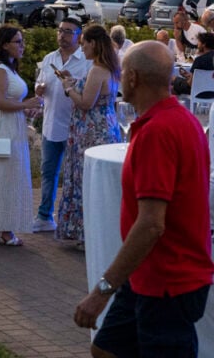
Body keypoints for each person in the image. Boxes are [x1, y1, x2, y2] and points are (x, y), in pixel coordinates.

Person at [73, 41, 214, 355]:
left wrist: (102, 290)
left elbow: (151, 225)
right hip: (150, 273)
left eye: (122, 73)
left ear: (133, 78)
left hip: (168, 281)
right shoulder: (181, 119)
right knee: (106, 349)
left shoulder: (158, 132)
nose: (119, 79)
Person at [0, 25, 41, 246]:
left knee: (10, 178)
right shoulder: (0, 69)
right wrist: (25, 104)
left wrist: (25, 107)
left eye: (22, 41)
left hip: (14, 126)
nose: (22, 46)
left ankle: (4, 225)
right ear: (4, 45)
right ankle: (3, 228)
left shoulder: (10, 68)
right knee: (5, 178)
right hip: (4, 130)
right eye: (17, 42)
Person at [56, 24, 123, 247]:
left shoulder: (97, 69)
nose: (82, 48)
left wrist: (68, 89)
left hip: (92, 131)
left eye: (84, 43)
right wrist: (74, 84)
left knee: (88, 181)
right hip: (105, 125)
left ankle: (88, 234)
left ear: (93, 43)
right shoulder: (109, 67)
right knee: (99, 182)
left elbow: (85, 102)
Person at [32, 17, 90, 231]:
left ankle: (75, 220)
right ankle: (44, 215)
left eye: (68, 32)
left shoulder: (86, 60)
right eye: (60, 31)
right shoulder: (49, 57)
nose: (62, 36)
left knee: (74, 176)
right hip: (50, 124)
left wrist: (71, 82)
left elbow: (88, 93)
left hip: (74, 127)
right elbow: (40, 80)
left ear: (78, 37)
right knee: (48, 172)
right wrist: (38, 87)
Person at [173, 31, 214, 95]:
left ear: (204, 44)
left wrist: (179, 79)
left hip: (199, 92)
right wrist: (188, 76)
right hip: (212, 91)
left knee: (172, 80)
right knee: (177, 86)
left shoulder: (199, 60)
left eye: (199, 42)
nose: (197, 44)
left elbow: (190, 84)